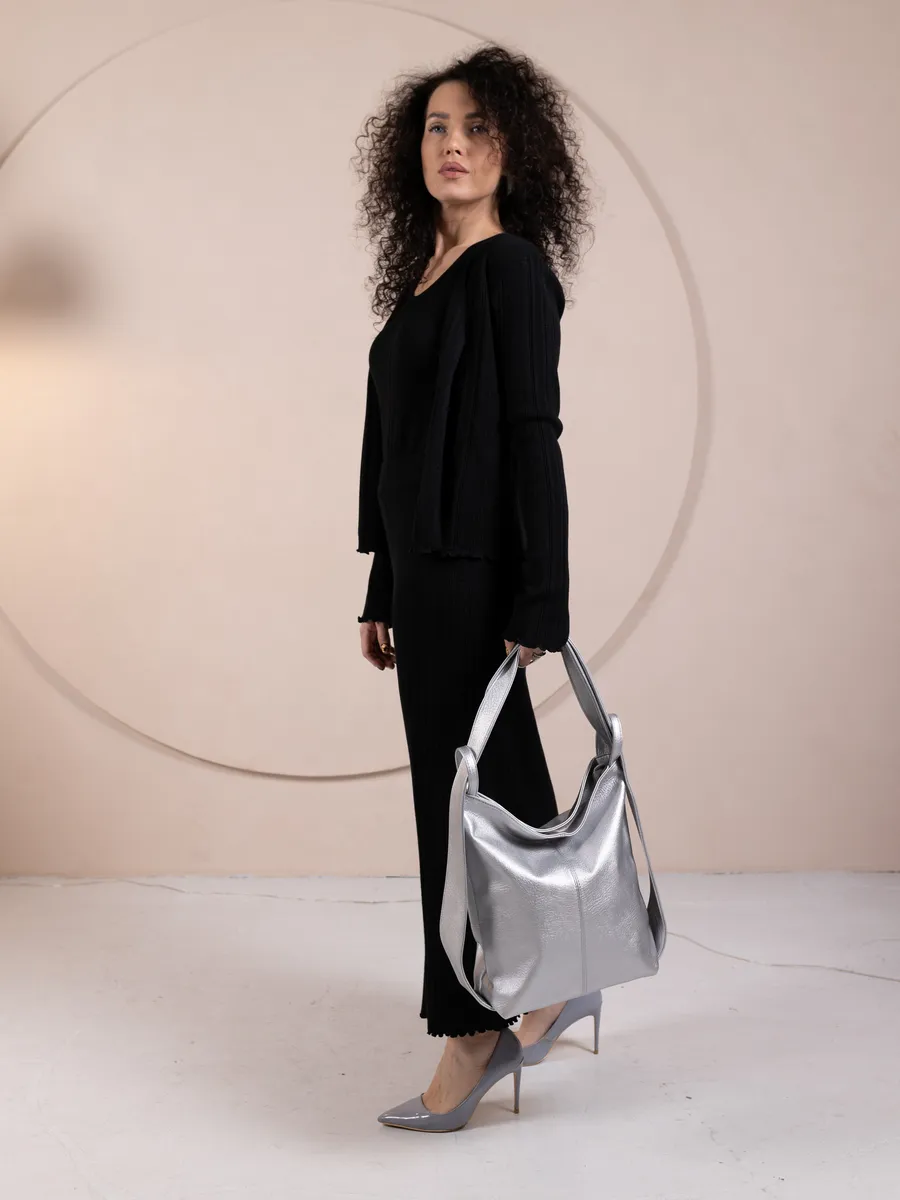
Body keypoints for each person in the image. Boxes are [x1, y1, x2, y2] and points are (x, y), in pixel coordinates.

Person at [352, 43, 593, 1130]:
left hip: (477, 577)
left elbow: (534, 438)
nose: (454, 145)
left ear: (516, 151)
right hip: (427, 574)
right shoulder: (427, 275)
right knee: (494, 793)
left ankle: (473, 1029)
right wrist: (383, 579)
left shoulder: (511, 271)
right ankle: (555, 977)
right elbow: (405, 450)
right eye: (438, 127)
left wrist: (544, 599)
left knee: (458, 805)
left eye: (479, 128)